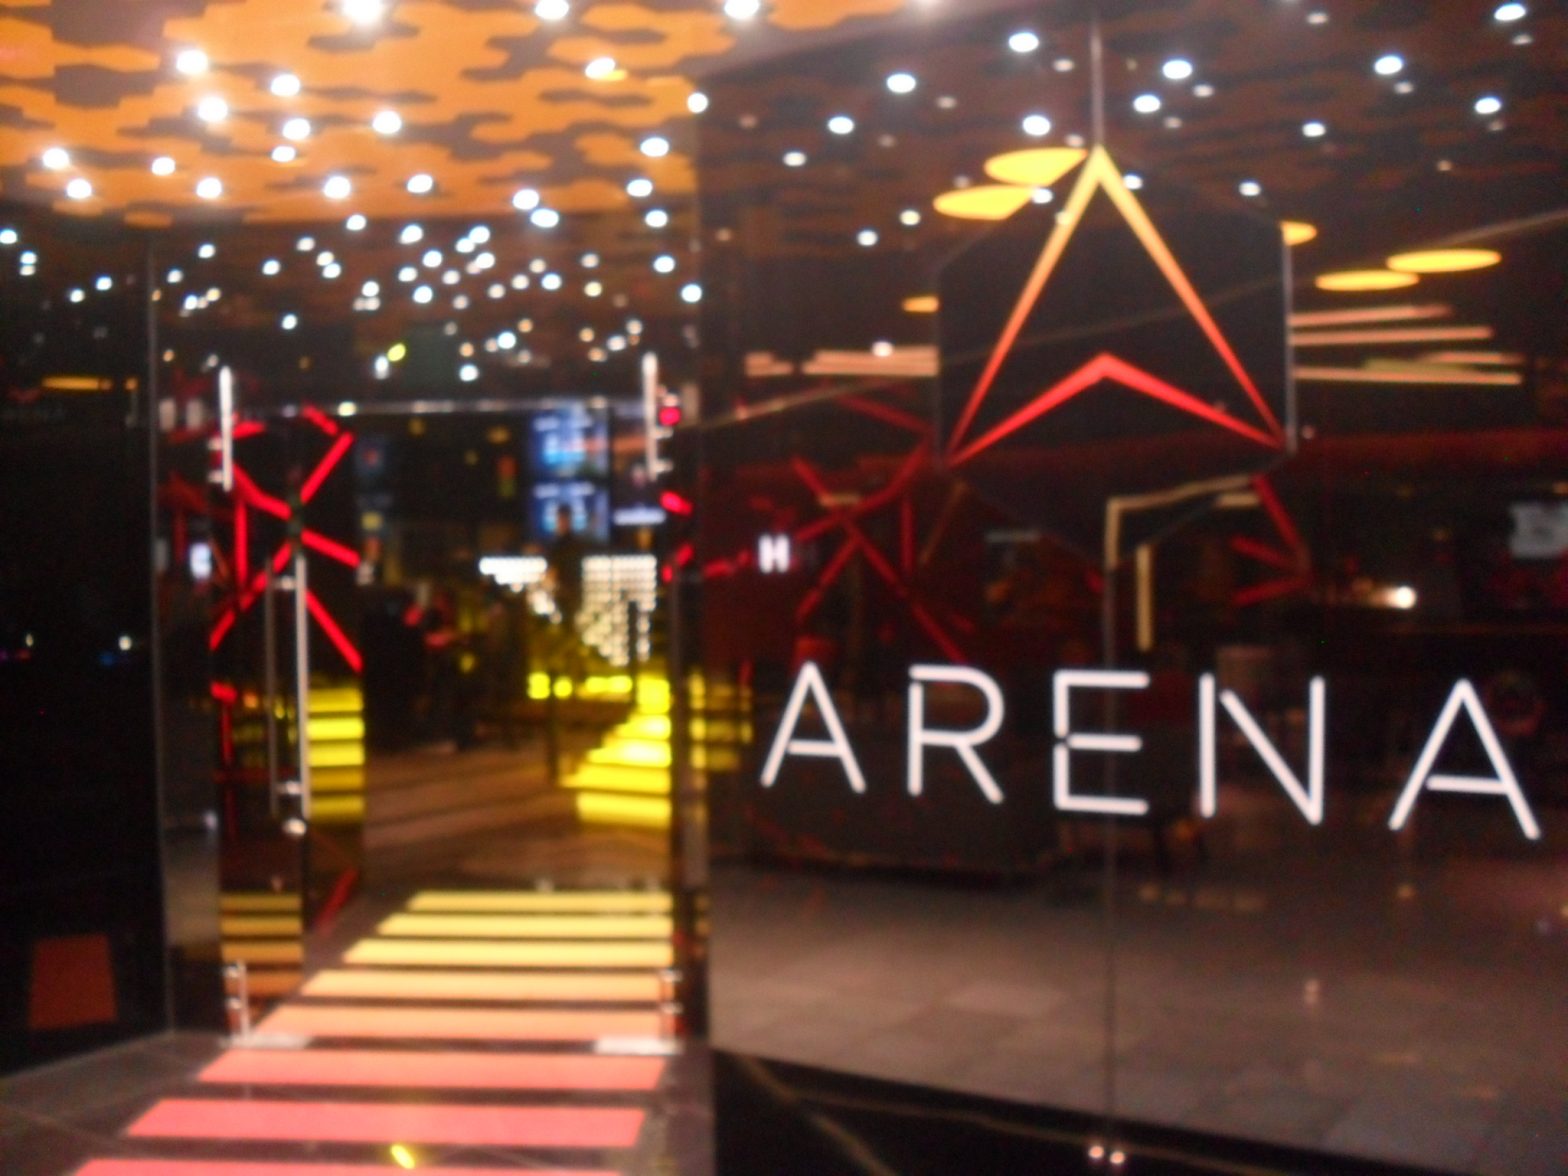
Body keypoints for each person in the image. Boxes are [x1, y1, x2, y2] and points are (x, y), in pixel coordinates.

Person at [544, 503, 586, 683]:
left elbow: (553, 571)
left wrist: (549, 585)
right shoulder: (573, 543)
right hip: (571, 594)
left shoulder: (561, 544)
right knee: (570, 632)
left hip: (566, 594)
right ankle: (574, 671)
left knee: (568, 633)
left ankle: (565, 669)